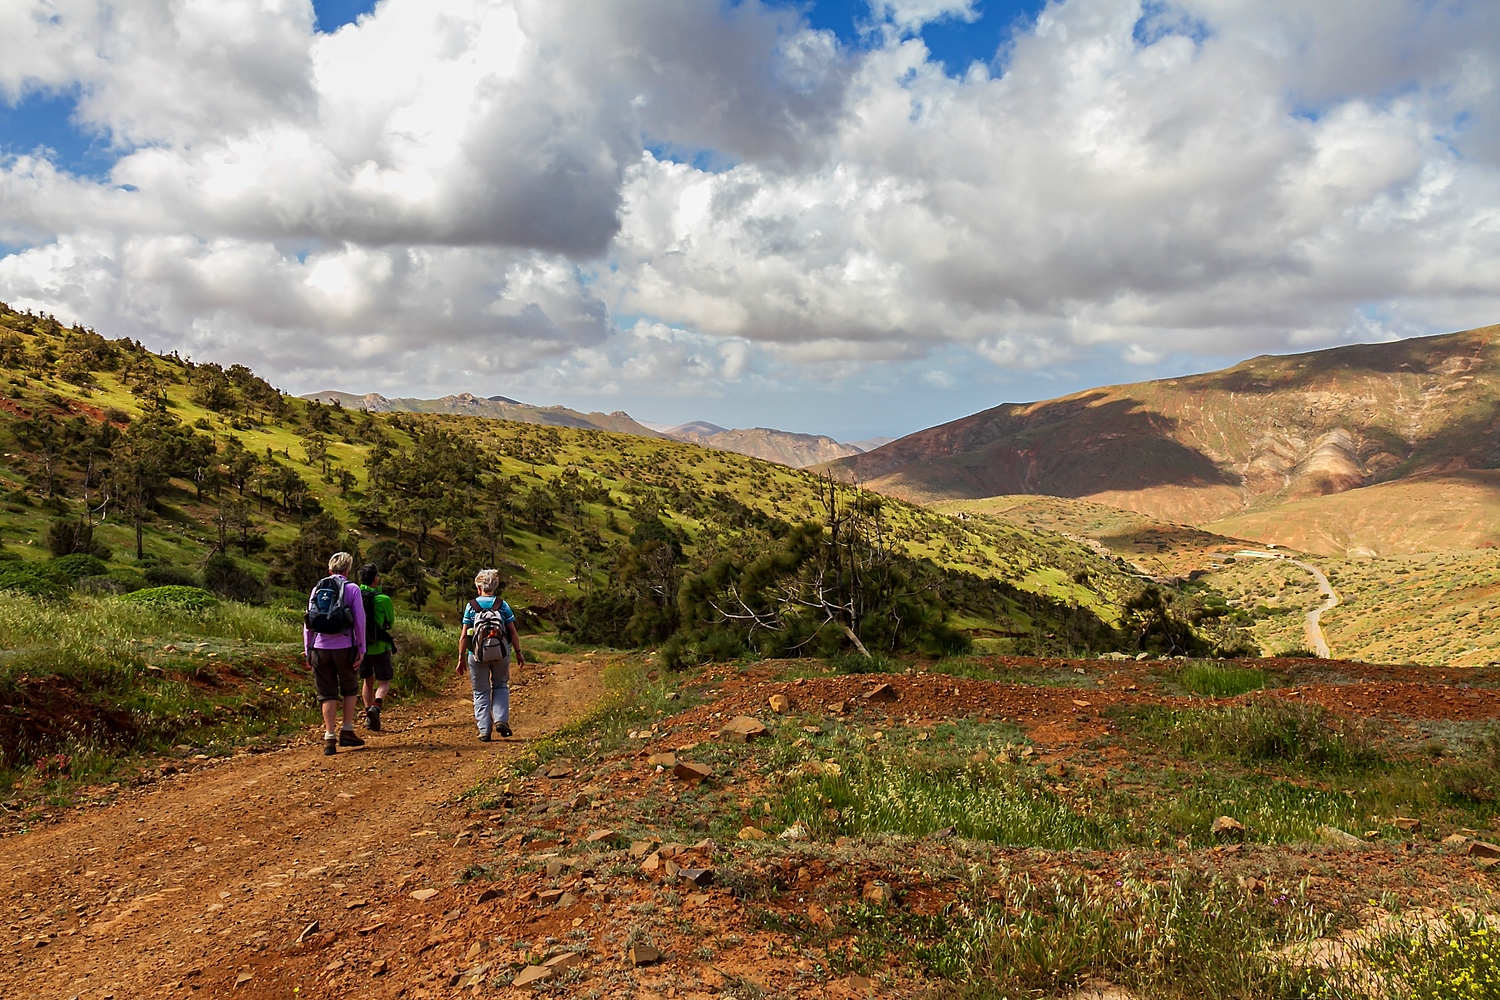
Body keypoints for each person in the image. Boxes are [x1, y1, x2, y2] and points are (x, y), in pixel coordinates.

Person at [304, 551, 366, 756]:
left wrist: (308, 649)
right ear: (348, 570)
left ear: (329, 569)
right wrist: (361, 648)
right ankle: (347, 730)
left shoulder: (317, 588)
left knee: (327, 693)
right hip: (345, 647)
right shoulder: (352, 589)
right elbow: (359, 621)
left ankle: (329, 737)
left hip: (320, 648)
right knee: (349, 688)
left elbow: (309, 621)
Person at [457, 568, 524, 741]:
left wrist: (461, 657)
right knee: (500, 685)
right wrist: (518, 653)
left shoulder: (471, 606)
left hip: (477, 655)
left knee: (480, 691)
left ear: (479, 586)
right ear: (494, 586)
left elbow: (464, 635)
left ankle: (484, 731)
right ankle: (501, 720)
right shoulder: (502, 605)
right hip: (501, 653)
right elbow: (513, 632)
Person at [357, 563, 396, 731]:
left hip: (361, 646)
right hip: (380, 645)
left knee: (367, 680)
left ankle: (368, 715)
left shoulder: (354, 594)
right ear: (375, 578)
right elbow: (390, 622)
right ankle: (376, 707)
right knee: (384, 681)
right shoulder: (383, 599)